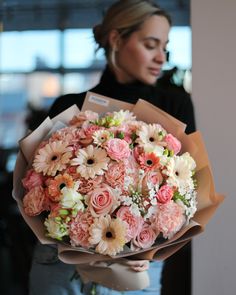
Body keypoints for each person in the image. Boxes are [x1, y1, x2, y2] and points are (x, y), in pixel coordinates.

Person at [29, 1, 195, 294]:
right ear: (117, 40)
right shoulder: (69, 106)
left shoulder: (174, 105)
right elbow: (37, 187)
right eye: (150, 45)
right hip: (61, 262)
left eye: (164, 47)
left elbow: (187, 193)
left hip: (136, 266)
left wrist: (151, 249)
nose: (161, 57)